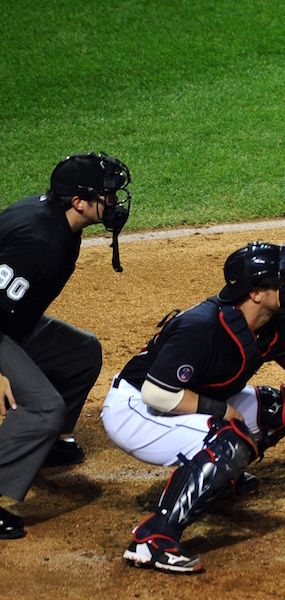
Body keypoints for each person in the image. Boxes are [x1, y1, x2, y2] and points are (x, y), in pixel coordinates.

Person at [101, 241, 285, 574]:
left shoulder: (272, 323)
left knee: (275, 409)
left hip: (181, 397)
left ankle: (214, 484)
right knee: (228, 440)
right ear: (256, 293)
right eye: (283, 281)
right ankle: (153, 538)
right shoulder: (202, 327)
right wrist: (221, 410)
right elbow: (158, 394)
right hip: (136, 408)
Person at [0, 152, 132, 539]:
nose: (114, 201)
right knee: (44, 407)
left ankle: (46, 445)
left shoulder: (58, 222)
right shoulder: (40, 241)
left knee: (81, 352)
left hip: (11, 322)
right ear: (78, 202)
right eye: (106, 194)